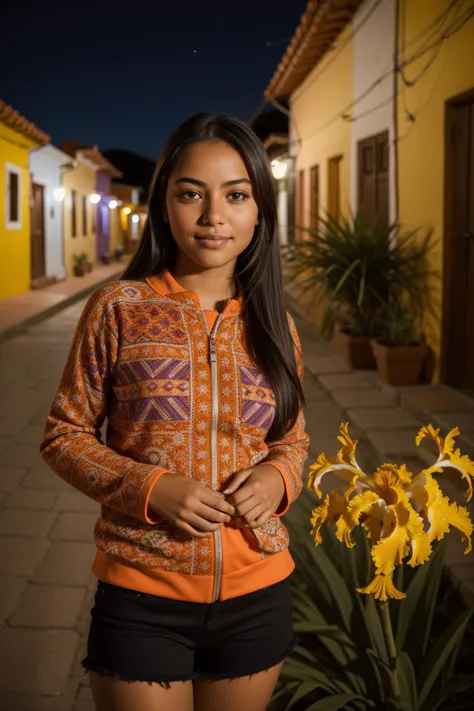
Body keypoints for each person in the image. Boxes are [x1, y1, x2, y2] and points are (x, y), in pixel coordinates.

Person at [40, 113, 309, 711]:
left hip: (258, 592)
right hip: (142, 593)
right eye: (192, 193)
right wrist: (150, 487)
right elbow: (64, 435)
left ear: (259, 209)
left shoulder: (275, 325)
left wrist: (275, 478)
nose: (214, 215)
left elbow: (291, 440)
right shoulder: (118, 308)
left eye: (236, 195)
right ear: (165, 204)